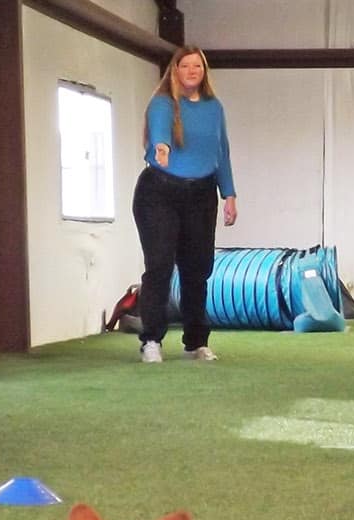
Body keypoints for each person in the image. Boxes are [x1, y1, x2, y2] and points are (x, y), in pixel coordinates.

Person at [132, 45, 237, 363]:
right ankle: (151, 340)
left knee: (197, 270)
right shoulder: (164, 102)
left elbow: (222, 153)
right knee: (160, 266)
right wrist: (161, 147)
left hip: (201, 194)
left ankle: (196, 342)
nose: (193, 71)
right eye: (186, 66)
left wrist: (228, 194)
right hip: (159, 193)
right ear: (174, 71)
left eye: (198, 66)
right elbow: (161, 131)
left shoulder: (214, 107)